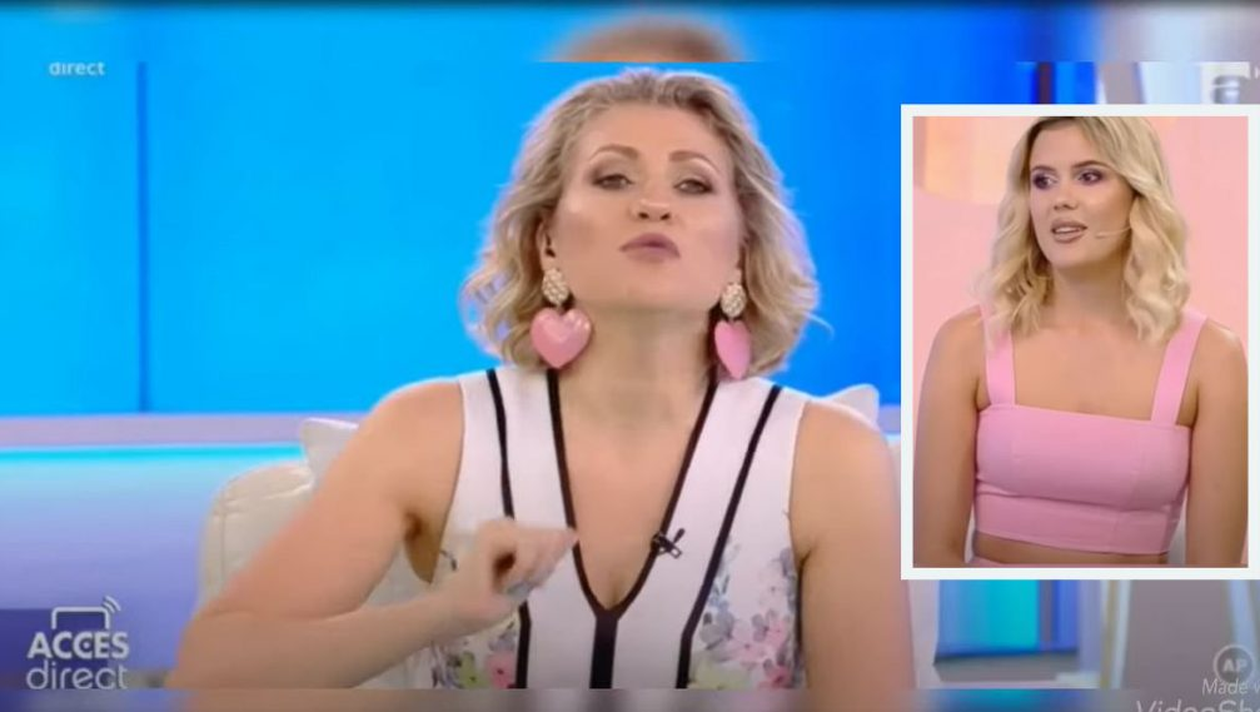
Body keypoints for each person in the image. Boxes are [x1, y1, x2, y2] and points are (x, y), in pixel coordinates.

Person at [168, 68, 911, 701]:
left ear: (740, 251)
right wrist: (441, 614)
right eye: (613, 178)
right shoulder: (427, 431)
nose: (654, 204)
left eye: (693, 184)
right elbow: (212, 674)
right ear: (547, 238)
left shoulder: (832, 458)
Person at [914, 116, 1247, 568]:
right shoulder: (966, 342)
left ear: (1138, 192)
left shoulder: (1213, 357)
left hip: (1139, 610)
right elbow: (932, 555)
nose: (1061, 200)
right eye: (1043, 181)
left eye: (1089, 176)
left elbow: (1215, 575)